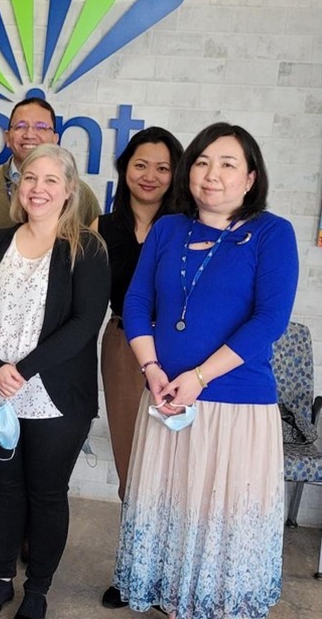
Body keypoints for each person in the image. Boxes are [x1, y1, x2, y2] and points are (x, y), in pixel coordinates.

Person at [114, 123, 298, 618]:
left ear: (250, 178)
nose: (211, 174)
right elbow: (137, 300)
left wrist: (198, 377)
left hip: (233, 404)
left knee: (218, 521)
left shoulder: (271, 233)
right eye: (201, 162)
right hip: (166, 400)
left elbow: (270, 321)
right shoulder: (169, 228)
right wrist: (151, 368)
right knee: (170, 514)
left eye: (227, 164)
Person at [0, 144, 109, 619]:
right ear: (18, 186)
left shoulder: (86, 249)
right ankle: (2, 579)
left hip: (55, 398)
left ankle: (38, 589)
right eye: (31, 178)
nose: (39, 188)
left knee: (46, 494)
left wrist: (22, 370)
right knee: (3, 490)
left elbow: (86, 322)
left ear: (69, 190)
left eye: (51, 180)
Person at [90, 127, 183, 610]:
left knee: (175, 470)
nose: (150, 176)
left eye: (163, 167)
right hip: (124, 346)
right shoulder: (101, 228)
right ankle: (132, 572)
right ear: (125, 168)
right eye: (141, 164)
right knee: (133, 466)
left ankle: (169, 576)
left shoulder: (189, 225)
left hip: (182, 355)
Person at [0, 97, 102, 241]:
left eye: (41, 127)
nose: (29, 135)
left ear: (55, 139)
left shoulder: (79, 192)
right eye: (20, 126)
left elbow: (97, 249)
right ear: (7, 137)